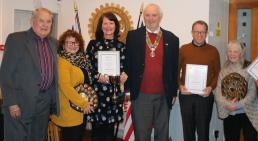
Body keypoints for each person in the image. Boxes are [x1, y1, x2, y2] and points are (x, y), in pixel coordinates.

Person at [0, 8, 59, 141]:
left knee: (38, 137)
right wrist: (12, 102)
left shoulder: (54, 43)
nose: (45, 24)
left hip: (44, 104)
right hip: (20, 103)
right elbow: (5, 74)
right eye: (41, 21)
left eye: (48, 21)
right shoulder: (16, 39)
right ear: (32, 21)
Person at [125, 3, 179, 141]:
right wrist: (127, 91)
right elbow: (128, 64)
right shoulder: (133, 36)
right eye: (147, 15)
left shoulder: (172, 39)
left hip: (163, 94)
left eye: (154, 15)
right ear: (144, 16)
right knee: (142, 134)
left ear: (160, 17)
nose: (150, 18)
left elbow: (174, 68)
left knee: (162, 134)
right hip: (140, 95)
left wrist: (173, 92)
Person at [86, 12, 128, 141]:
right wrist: (97, 76)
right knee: (96, 131)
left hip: (113, 94)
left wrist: (124, 74)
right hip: (96, 94)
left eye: (111, 23)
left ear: (116, 26)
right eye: (105, 23)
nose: (108, 26)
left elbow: (125, 68)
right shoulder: (93, 45)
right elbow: (86, 66)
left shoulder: (121, 46)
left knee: (109, 133)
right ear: (100, 26)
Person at [178, 20, 220, 141]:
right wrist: (180, 86)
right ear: (192, 33)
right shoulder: (184, 49)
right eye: (197, 32)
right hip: (186, 97)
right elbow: (175, 72)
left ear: (206, 33)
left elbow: (218, 74)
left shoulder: (213, 51)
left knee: (203, 132)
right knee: (188, 132)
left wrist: (211, 87)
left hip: (205, 97)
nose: (199, 35)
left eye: (202, 32)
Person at [50, 30, 94, 141]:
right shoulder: (62, 62)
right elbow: (66, 87)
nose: (73, 45)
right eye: (69, 42)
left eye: (75, 42)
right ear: (63, 45)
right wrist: (83, 103)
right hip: (69, 111)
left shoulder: (82, 61)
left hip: (80, 109)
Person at [215, 40, 258, 141]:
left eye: (235, 51)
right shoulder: (224, 70)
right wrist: (228, 105)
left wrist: (237, 105)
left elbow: (253, 92)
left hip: (247, 112)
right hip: (230, 112)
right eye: (230, 51)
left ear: (241, 53)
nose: (232, 54)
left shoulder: (249, 67)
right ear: (227, 53)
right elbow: (218, 93)